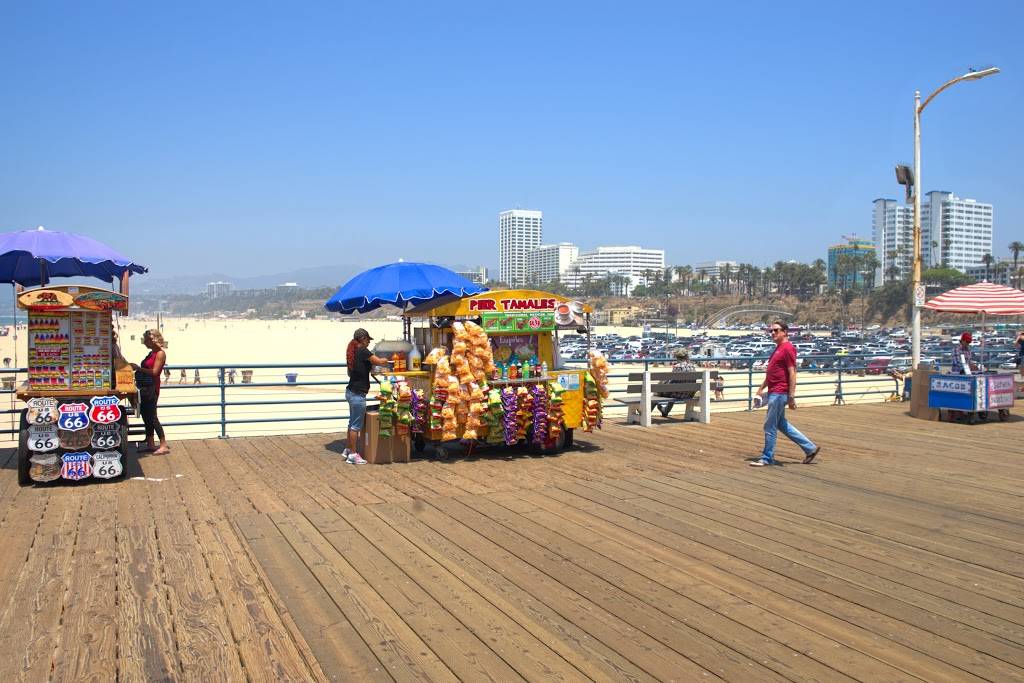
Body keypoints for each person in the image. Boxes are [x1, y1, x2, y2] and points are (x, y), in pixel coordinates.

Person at [751, 321, 819, 466]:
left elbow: (792, 373)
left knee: (770, 426)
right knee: (781, 424)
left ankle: (766, 457)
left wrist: (791, 396)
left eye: (776, 330)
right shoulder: (778, 349)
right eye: (771, 331)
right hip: (773, 391)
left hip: (779, 393)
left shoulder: (788, 348)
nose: (773, 333)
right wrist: (761, 388)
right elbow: (772, 373)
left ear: (785, 332)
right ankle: (810, 448)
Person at [344, 328, 392, 464]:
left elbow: (353, 371)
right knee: (356, 426)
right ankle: (353, 455)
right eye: (368, 340)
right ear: (363, 339)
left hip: (350, 391)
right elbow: (379, 361)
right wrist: (390, 357)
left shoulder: (353, 351)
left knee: (351, 423)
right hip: (358, 394)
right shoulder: (363, 350)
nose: (369, 343)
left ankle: (348, 449)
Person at [131, 329, 170, 455]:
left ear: (153, 340)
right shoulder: (151, 353)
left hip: (152, 387)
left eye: (146, 340)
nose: (145, 343)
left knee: (152, 416)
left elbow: (155, 372)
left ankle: (163, 444)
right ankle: (150, 443)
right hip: (144, 387)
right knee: (145, 415)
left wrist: (138, 368)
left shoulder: (160, 353)